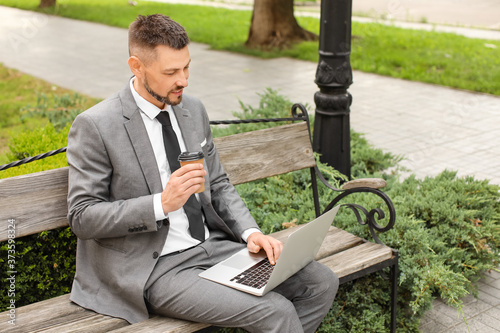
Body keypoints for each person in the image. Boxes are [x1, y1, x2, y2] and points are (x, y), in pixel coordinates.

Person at [66, 13, 338, 333]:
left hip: (214, 247)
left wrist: (251, 234)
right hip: (155, 267)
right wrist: (161, 203)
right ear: (136, 66)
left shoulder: (192, 109)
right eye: (171, 72)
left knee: (321, 282)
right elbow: (82, 217)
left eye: (187, 67)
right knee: (275, 311)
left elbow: (219, 183)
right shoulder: (97, 125)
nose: (183, 79)